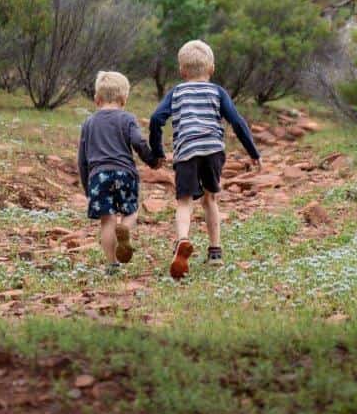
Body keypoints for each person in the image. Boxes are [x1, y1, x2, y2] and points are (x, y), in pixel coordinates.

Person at [149, 39, 260, 279]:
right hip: (212, 150)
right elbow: (237, 122)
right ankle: (215, 253)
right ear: (211, 69)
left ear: (182, 71)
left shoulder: (176, 92)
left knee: (184, 202)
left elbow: (156, 118)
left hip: (187, 150)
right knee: (210, 199)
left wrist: (158, 152)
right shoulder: (217, 91)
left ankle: (183, 240)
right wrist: (253, 152)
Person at [77, 71, 160, 274]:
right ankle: (126, 229)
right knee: (130, 211)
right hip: (124, 174)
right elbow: (138, 142)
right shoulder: (127, 118)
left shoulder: (89, 123)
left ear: (97, 99)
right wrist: (151, 160)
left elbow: (82, 159)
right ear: (124, 99)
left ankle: (112, 264)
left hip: (98, 176)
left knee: (107, 220)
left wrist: (87, 187)